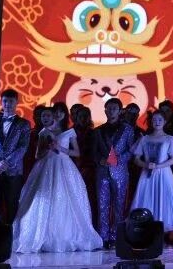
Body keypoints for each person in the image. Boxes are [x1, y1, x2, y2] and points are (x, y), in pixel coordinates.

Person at [12, 107, 102, 252]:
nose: (54, 116)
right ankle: (42, 235)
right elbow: (37, 155)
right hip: (45, 167)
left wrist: (60, 148)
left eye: (59, 113)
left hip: (64, 167)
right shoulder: (43, 133)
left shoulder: (69, 132)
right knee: (43, 199)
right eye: (46, 115)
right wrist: (47, 149)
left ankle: (64, 235)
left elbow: (76, 152)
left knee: (65, 198)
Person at [131, 111, 173, 233]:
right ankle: (147, 228)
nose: (157, 122)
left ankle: (160, 231)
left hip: (164, 174)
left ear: (165, 122)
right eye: (154, 119)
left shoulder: (170, 139)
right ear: (151, 121)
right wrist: (146, 165)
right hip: (147, 174)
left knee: (163, 198)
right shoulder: (144, 138)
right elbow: (136, 159)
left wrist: (158, 166)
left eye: (160, 119)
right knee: (147, 198)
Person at [0, 88, 31, 223]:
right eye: (5, 101)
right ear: (1, 102)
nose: (7, 104)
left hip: (13, 170)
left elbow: (23, 147)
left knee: (12, 204)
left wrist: (6, 163)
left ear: (16, 102)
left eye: (11, 101)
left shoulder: (23, 124)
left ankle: (11, 234)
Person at [92, 97, 135, 248]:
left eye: (114, 109)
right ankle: (103, 237)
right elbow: (94, 152)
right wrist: (100, 160)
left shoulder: (127, 129)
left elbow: (131, 150)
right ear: (105, 111)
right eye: (109, 108)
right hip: (102, 172)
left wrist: (119, 159)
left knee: (119, 205)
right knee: (102, 205)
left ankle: (116, 236)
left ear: (120, 111)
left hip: (120, 172)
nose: (111, 111)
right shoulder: (98, 131)